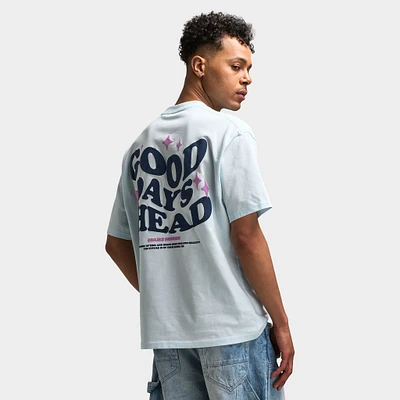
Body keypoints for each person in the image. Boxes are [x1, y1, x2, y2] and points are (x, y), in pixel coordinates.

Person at [105, 10, 294, 399]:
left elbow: (116, 243)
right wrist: (282, 323)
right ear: (199, 66)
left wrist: (170, 298)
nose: (247, 78)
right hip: (233, 332)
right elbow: (247, 236)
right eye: (236, 66)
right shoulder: (230, 134)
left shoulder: (139, 146)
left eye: (249, 68)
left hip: (170, 338)